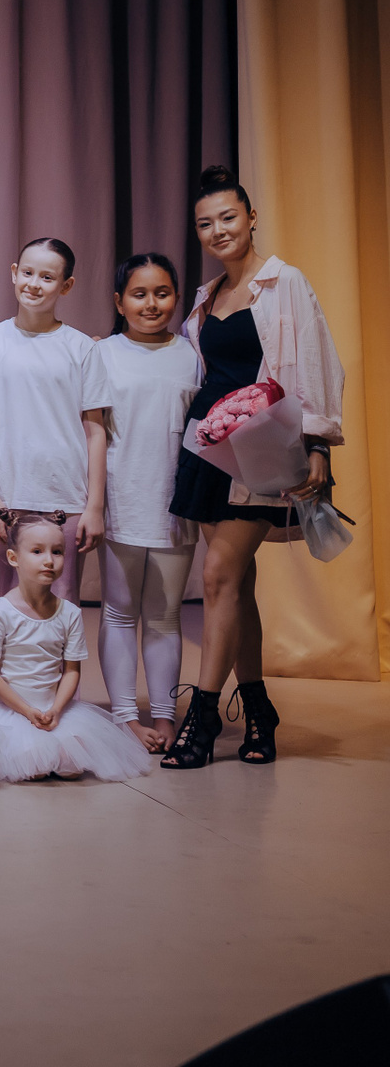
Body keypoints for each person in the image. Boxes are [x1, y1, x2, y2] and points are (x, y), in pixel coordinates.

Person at [163, 166, 344, 769]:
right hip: (208, 448)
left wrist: (317, 445)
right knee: (236, 584)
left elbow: (315, 360)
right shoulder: (205, 297)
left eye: (228, 217)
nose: (218, 230)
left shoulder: (284, 282)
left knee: (217, 576)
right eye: (205, 223)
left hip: (262, 447)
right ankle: (260, 710)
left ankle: (204, 715)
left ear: (251, 218)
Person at [98, 253, 201, 752]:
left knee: (164, 615)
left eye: (162, 293)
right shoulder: (101, 353)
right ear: (119, 302)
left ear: (176, 298)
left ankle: (164, 717)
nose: (151, 303)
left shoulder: (192, 355)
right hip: (119, 497)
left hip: (174, 502)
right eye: (139, 294)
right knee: (119, 610)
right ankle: (123, 717)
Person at [0, 237, 110, 600]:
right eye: (28, 273)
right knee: (11, 603)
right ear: (14, 273)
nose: (34, 284)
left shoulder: (82, 347)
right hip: (9, 496)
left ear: (66, 285)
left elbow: (95, 431)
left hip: (67, 495)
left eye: (47, 277)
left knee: (62, 600)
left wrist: (95, 506)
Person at [0, 512, 150, 782]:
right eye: (37, 551)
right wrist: (26, 711)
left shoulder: (69, 613)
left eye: (57, 552)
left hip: (53, 708)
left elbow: (71, 671)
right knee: (34, 768)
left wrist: (56, 709)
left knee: (72, 766)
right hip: (13, 709)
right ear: (13, 558)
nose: (49, 560)